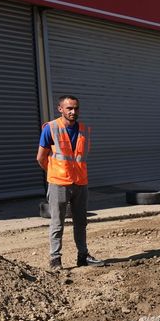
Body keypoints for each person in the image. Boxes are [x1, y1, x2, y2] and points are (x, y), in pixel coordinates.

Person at [37, 95, 104, 270]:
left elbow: (79, 158)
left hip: (80, 183)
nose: (73, 112)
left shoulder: (84, 130)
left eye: (76, 108)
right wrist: (53, 173)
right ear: (60, 109)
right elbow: (41, 157)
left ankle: (83, 256)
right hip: (59, 183)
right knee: (57, 223)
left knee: (81, 222)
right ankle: (55, 259)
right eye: (69, 108)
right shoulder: (51, 128)